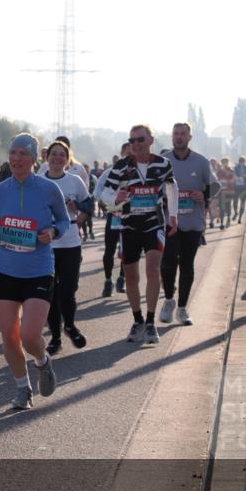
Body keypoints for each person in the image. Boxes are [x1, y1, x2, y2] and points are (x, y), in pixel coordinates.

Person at [0, 133, 70, 410]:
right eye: (13, 153)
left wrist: (53, 231)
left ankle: (42, 362)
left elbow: (64, 220)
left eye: (23, 154)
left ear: (33, 158)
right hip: (5, 269)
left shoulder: (48, 189)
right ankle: (22, 388)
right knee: (10, 335)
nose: (16, 158)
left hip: (38, 269)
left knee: (30, 335)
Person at [99, 124, 178, 344]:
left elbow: (172, 188)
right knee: (131, 277)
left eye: (140, 140)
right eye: (132, 140)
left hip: (154, 223)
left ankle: (151, 323)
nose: (135, 144)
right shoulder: (121, 167)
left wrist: (173, 215)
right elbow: (105, 193)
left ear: (151, 140)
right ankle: (138, 320)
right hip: (129, 225)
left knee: (153, 270)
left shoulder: (163, 164)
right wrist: (116, 198)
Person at [159, 123, 218, 326]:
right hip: (169, 221)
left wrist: (203, 194)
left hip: (193, 221)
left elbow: (215, 185)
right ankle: (168, 300)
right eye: (175, 134)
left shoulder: (201, 161)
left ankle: (182, 308)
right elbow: (154, 186)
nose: (179, 137)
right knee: (167, 262)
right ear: (172, 136)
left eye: (183, 134)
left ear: (189, 137)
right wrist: (163, 199)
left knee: (186, 264)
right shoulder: (163, 160)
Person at [40, 140, 92, 353]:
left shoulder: (75, 181)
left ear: (67, 159)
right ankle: (56, 337)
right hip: (46, 244)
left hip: (70, 241)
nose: (57, 158)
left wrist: (78, 208)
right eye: (54, 154)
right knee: (50, 292)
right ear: (47, 158)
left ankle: (70, 326)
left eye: (62, 155)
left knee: (68, 290)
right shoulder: (38, 182)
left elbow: (89, 204)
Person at [95, 143, 130, 297]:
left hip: (131, 217)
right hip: (114, 215)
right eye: (127, 154)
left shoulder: (139, 172)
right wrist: (106, 201)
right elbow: (98, 191)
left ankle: (122, 278)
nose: (130, 157)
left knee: (127, 250)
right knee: (109, 250)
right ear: (121, 154)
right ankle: (108, 281)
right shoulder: (110, 172)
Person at [233, 156, 246, 222]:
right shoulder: (235, 168)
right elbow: (233, 175)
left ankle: (240, 218)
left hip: (244, 188)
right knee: (235, 202)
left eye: (242, 161)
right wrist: (236, 177)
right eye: (240, 161)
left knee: (243, 203)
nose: (241, 163)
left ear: (244, 162)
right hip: (236, 187)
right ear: (239, 161)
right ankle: (236, 212)